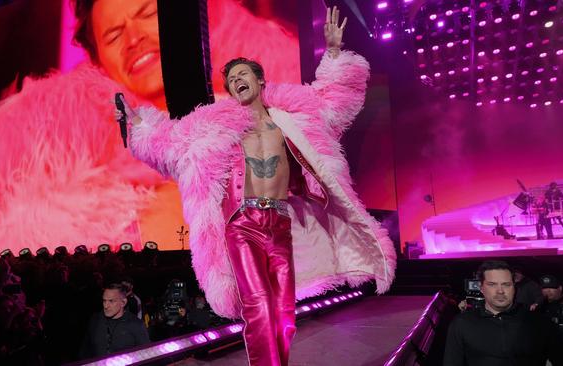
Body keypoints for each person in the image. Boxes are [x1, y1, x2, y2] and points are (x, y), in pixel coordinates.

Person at [116, 6, 396, 365]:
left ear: (260, 81)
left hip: (280, 225)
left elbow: (335, 102)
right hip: (242, 225)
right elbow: (169, 144)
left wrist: (335, 54)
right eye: (231, 79)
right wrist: (137, 120)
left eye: (242, 74)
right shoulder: (216, 127)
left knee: (285, 313)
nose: (236, 81)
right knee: (259, 306)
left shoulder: (294, 120)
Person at [0, 0, 302, 255]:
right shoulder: (84, 171)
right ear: (99, 61)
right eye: (113, 36)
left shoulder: (255, 108)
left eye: (147, 14)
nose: (133, 39)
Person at [443, 260, 563, 365]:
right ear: (481, 288)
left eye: (506, 285)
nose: (500, 291)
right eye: (492, 285)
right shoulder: (462, 323)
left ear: (514, 288)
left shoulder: (539, 323)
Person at [79, 283, 150, 359]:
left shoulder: (136, 324)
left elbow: (145, 356)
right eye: (104, 301)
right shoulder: (95, 319)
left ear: (123, 302)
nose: (106, 306)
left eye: (111, 301)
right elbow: (85, 351)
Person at [538, 274, 563, 345]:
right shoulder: (540, 307)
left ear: (560, 288)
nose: (547, 291)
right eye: (544, 288)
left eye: (551, 287)